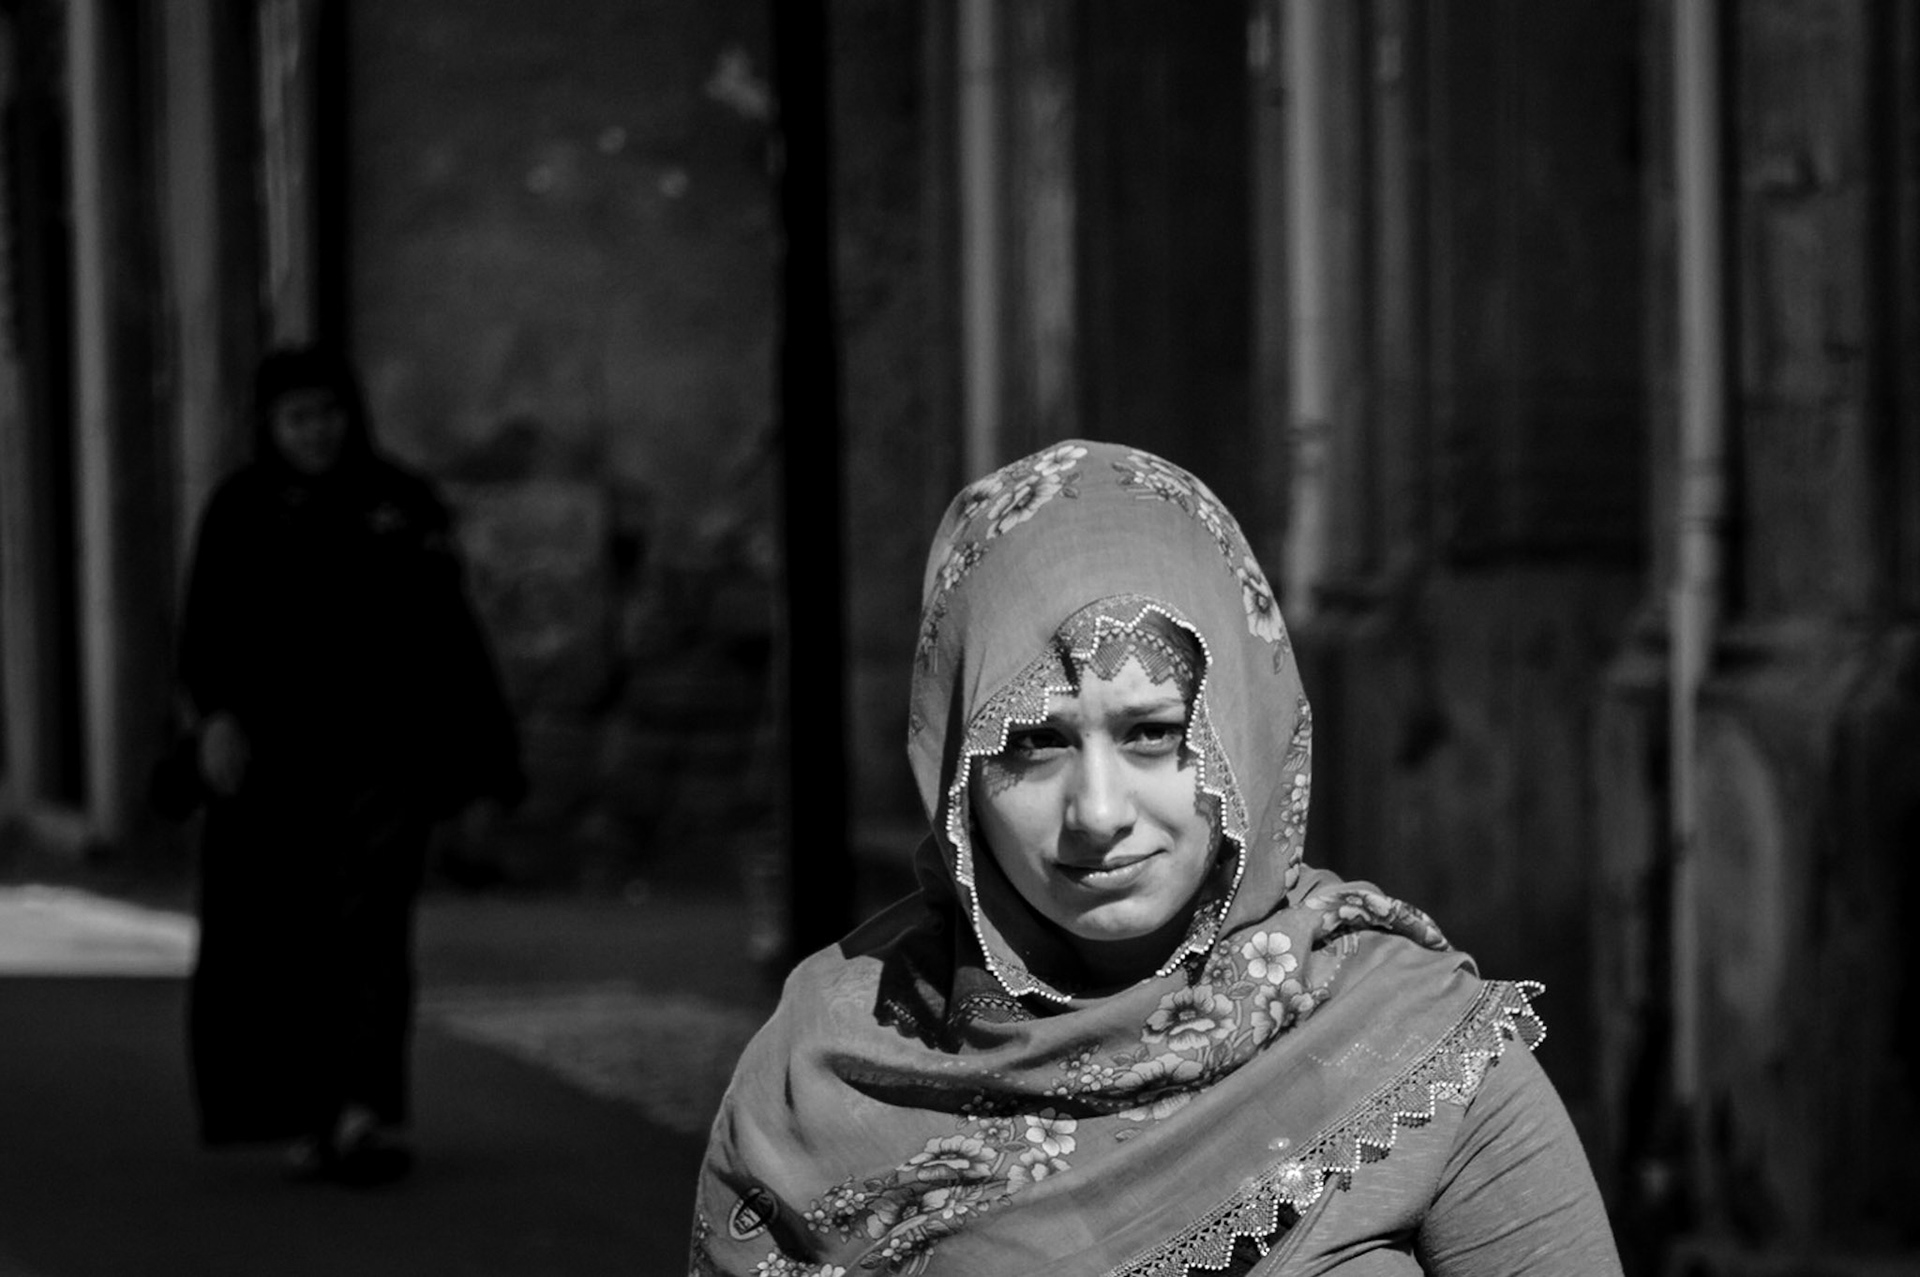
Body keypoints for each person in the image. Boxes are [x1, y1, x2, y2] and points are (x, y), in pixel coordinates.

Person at [691, 441, 1622, 1274]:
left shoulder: (1409, 1045)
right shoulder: (824, 1073)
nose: (1097, 812)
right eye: (1032, 744)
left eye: (1152, 734)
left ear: (1241, 733)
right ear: (956, 774)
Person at [177, 344, 525, 1185]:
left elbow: (450, 633)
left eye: (328, 413)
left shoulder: (396, 505)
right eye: (298, 417)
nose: (316, 432)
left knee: (370, 930)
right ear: (270, 423)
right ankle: (314, 1109)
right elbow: (206, 626)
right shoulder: (244, 508)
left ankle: (364, 1110)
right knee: (284, 933)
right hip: (274, 768)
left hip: (383, 760)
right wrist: (216, 719)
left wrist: (487, 762)